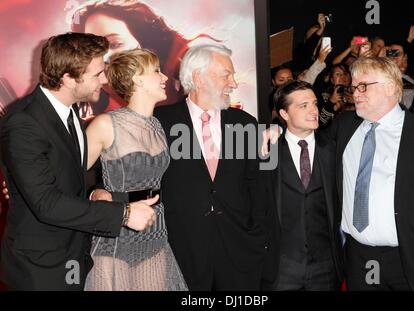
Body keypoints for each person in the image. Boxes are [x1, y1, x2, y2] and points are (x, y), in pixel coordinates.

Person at [93, 44, 267, 290]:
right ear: (199, 77)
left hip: (239, 252)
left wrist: (257, 240)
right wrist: (100, 191)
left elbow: (259, 190)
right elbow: (120, 172)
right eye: (226, 75)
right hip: (180, 251)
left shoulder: (246, 124)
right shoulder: (159, 122)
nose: (234, 83)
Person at [0, 33, 156, 290]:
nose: (105, 79)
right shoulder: (23, 123)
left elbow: (74, 173)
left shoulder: (69, 110)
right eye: (97, 74)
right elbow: (47, 203)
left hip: (72, 254)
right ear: (68, 79)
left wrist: (97, 192)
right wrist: (124, 215)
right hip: (41, 268)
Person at [330, 57, 414, 290]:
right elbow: (308, 145)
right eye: (354, 87)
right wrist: (274, 132)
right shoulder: (344, 126)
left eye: (364, 86)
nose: (356, 93)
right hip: (358, 258)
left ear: (392, 87)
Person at [83, 48, 187, 291]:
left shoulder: (158, 125)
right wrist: (95, 193)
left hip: (154, 229)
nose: (164, 78)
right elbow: (69, 173)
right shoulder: (107, 124)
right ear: (137, 79)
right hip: (116, 230)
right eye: (156, 71)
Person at [71, 0, 217, 118]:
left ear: (145, 44)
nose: (105, 58)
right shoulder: (100, 118)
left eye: (115, 44)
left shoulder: (186, 70)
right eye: (94, 50)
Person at [264, 80, 344, 290]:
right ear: (284, 114)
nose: (313, 110)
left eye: (314, 104)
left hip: (326, 266)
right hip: (281, 267)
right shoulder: (265, 151)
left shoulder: (334, 150)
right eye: (303, 105)